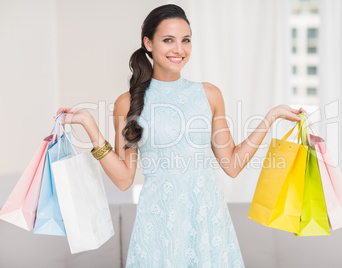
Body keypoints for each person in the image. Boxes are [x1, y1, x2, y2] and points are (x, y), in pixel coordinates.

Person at [56, 4, 305, 267]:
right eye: (168, 40)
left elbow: (232, 165)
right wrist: (89, 125)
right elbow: (123, 179)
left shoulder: (209, 95)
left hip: (208, 222)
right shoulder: (127, 102)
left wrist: (271, 116)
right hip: (159, 225)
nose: (179, 49)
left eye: (185, 40)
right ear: (148, 44)